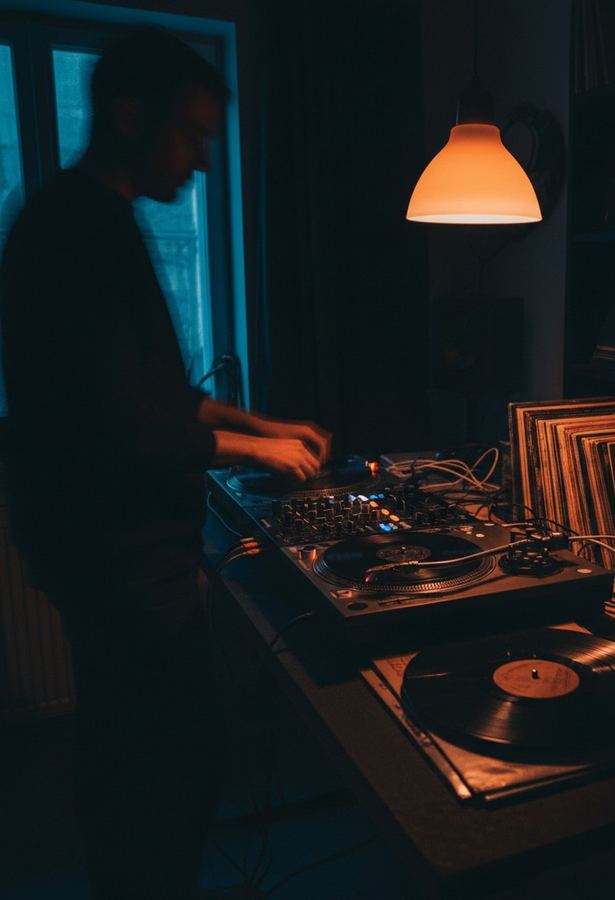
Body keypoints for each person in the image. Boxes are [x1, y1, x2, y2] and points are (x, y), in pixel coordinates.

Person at [0, 27, 331, 900]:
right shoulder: (78, 232)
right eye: (192, 134)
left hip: (111, 559)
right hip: (119, 567)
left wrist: (261, 418)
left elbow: (163, 392)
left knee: (150, 765)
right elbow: (129, 428)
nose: (203, 163)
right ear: (128, 116)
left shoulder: (87, 217)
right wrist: (260, 449)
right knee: (160, 779)